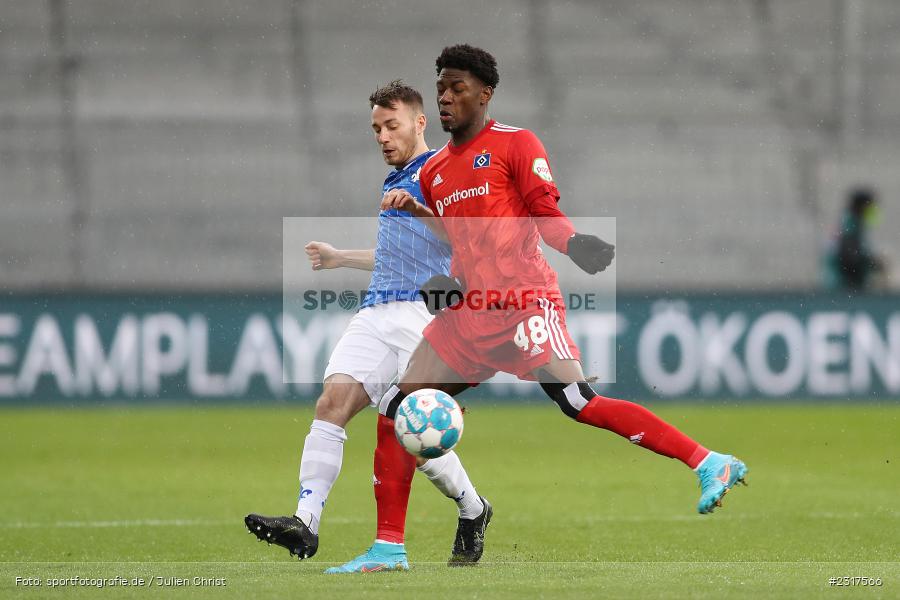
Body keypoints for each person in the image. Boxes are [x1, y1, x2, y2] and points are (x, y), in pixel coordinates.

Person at [377, 45, 748, 539]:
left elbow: (543, 213)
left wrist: (575, 243)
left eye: (457, 87)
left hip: (525, 302)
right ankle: (390, 548)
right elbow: (462, 242)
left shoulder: (516, 144)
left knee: (577, 401)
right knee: (396, 405)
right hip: (473, 312)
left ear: (485, 95)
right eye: (440, 87)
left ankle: (709, 461)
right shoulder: (434, 171)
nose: (445, 97)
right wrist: (449, 284)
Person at [245, 80, 491, 573]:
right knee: (331, 403)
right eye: (376, 128)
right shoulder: (395, 178)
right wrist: (340, 258)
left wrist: (422, 213)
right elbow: (398, 259)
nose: (382, 136)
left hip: (423, 315)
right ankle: (305, 521)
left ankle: (470, 507)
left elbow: (467, 238)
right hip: (378, 310)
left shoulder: (443, 173)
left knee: (408, 427)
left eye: (391, 125)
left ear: (421, 123)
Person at [824, 187, 887, 290]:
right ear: (861, 207)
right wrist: (872, 264)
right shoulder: (851, 224)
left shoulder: (850, 222)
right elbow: (850, 256)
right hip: (844, 286)